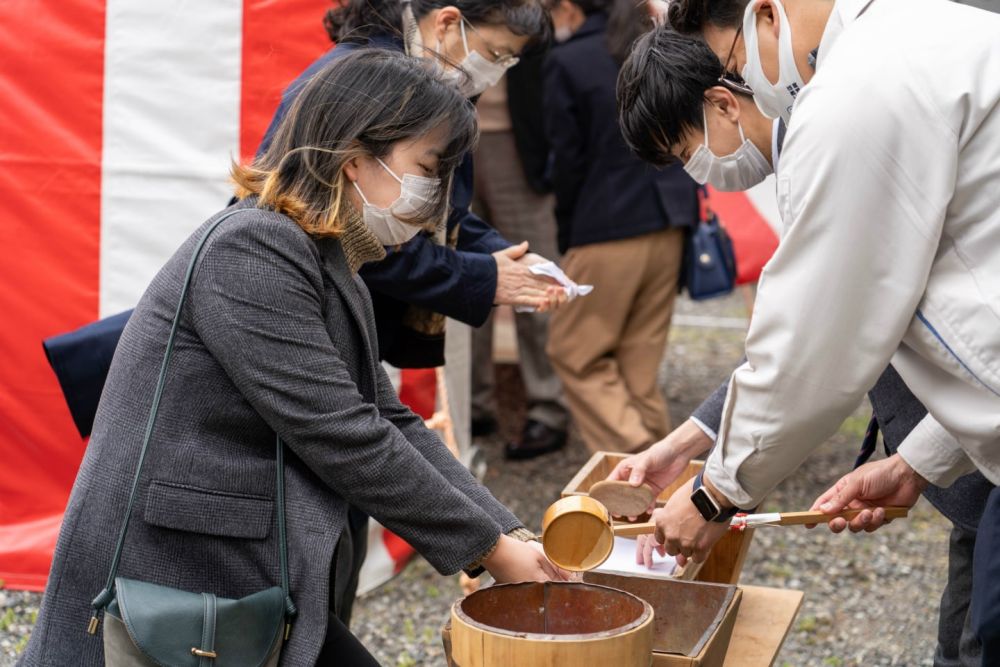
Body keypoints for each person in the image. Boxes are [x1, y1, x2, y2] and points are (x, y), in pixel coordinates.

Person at [19, 50, 567, 667]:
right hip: (173, 568)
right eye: (427, 168)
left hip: (232, 559)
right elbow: (343, 433)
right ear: (356, 158)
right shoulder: (254, 247)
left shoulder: (330, 257)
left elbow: (391, 420)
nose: (435, 194)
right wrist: (490, 549)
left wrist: (507, 532)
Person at [613, 0, 1000, 662]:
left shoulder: (854, 93)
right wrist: (919, 460)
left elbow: (812, 346)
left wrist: (713, 494)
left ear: (765, 15)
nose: (743, 80)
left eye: (734, 64)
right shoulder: (927, 32)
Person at [543, 0, 699, 455]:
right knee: (638, 366)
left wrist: (567, 230)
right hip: (671, 217)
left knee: (574, 350)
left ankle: (636, 467)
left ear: (570, 7)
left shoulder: (569, 60)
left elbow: (566, 163)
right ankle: (667, 473)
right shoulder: (657, 48)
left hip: (606, 222)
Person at [469, 52, 571, 458]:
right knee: (466, 272)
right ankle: (471, 401)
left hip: (520, 138)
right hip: (451, 133)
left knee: (537, 273)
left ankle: (549, 406)